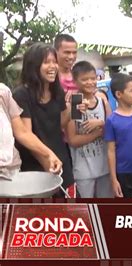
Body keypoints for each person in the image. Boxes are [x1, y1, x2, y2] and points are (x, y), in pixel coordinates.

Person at [12, 42, 75, 197]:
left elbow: (59, 124)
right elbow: (26, 134)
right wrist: (47, 157)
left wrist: (73, 109)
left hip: (61, 161)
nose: (53, 66)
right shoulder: (21, 95)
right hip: (35, 168)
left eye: (54, 62)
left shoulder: (57, 91)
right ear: (33, 66)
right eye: (47, 62)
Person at [66, 61, 113, 198]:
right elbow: (73, 140)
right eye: (84, 79)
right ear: (75, 81)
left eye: (92, 78)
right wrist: (98, 132)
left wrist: (100, 123)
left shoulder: (102, 102)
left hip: (105, 168)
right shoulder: (75, 104)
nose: (90, 82)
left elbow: (112, 130)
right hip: (83, 172)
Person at [1, 83, 62, 179]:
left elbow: (22, 133)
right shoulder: (21, 94)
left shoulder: (3, 92)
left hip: (11, 171)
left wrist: (49, 154)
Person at [54, 34, 78, 98]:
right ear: (56, 52)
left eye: (74, 52)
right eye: (67, 52)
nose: (71, 57)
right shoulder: (50, 78)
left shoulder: (79, 75)